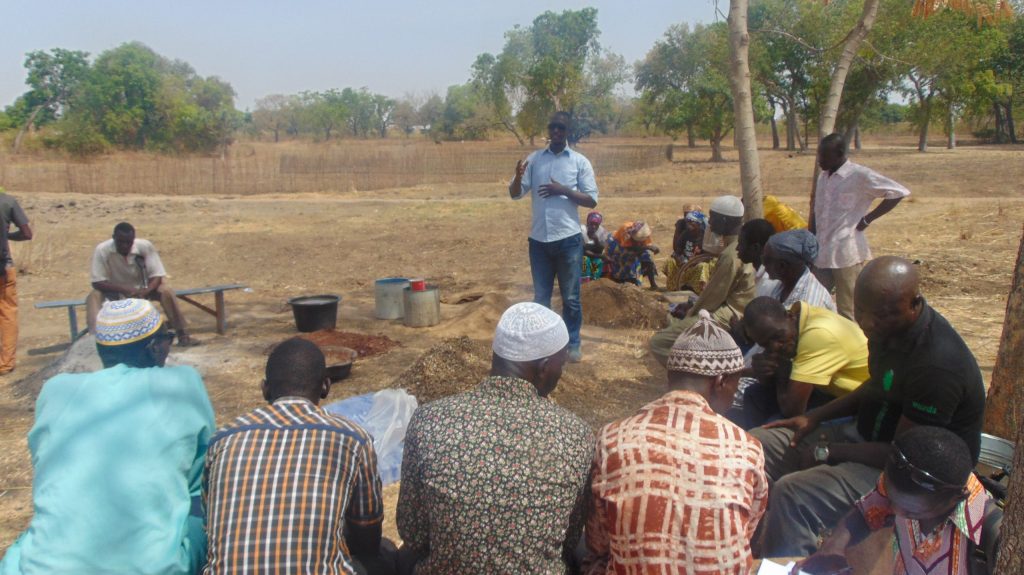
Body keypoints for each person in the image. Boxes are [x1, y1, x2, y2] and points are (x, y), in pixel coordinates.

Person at [750, 256, 986, 558]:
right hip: (864, 436)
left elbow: (901, 454)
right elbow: (876, 386)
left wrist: (828, 453)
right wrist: (812, 418)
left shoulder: (936, 366)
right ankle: (756, 552)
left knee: (793, 494)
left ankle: (793, 563)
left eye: (882, 315)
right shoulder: (885, 331)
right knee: (755, 446)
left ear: (914, 304)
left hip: (911, 477)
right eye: (862, 312)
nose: (869, 323)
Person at [0, 299, 214, 575]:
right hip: (157, 568)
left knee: (28, 541)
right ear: (152, 348)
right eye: (167, 338)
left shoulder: (56, 390)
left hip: (45, 569)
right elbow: (200, 477)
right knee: (201, 506)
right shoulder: (182, 383)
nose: (169, 345)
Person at [396, 302, 594, 574]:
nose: (562, 372)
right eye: (562, 363)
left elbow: (413, 534)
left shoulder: (429, 419)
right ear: (544, 367)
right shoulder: (576, 434)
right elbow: (569, 541)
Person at [585, 309, 768, 575]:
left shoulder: (613, 439)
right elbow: (745, 529)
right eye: (735, 385)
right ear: (720, 381)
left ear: (670, 377)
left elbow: (598, 541)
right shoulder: (747, 447)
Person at [203, 337, 394, 575]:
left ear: (265, 389)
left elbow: (210, 526)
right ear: (326, 387)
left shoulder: (222, 440)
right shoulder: (351, 439)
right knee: (386, 554)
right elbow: (367, 537)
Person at [795, 427, 991, 575]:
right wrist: (833, 547)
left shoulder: (990, 535)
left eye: (911, 513)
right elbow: (865, 511)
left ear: (957, 498)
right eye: (890, 498)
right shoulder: (907, 484)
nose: (895, 511)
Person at [510, 112, 599, 362]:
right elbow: (515, 194)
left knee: (571, 298)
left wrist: (563, 190)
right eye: (553, 127)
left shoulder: (579, 162)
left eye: (561, 128)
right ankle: (544, 346)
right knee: (541, 299)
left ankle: (573, 344)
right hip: (539, 241)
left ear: (568, 131)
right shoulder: (535, 160)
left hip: (568, 240)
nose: (556, 132)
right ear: (548, 131)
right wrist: (518, 177)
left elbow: (591, 199)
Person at [812, 134, 910, 319]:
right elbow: (817, 212)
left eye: (824, 156)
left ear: (839, 154)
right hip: (821, 252)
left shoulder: (859, 176)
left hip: (846, 253)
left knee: (847, 309)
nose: (820, 160)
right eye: (819, 155)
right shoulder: (823, 178)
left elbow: (897, 192)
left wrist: (868, 219)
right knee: (815, 303)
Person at [649, 195, 755, 365]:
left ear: (723, 220)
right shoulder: (734, 247)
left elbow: (713, 297)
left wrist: (691, 313)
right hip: (727, 306)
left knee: (659, 343)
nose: (710, 223)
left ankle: (697, 372)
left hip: (729, 312)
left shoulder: (731, 254)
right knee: (676, 311)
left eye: (712, 217)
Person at [738, 296, 869, 429]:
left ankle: (758, 444)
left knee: (771, 428)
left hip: (857, 405)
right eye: (765, 344)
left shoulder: (818, 336)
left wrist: (780, 372)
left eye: (777, 336)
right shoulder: (787, 321)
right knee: (754, 395)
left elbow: (792, 410)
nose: (775, 347)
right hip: (827, 392)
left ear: (790, 316)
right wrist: (765, 373)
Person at [88, 222, 197, 346]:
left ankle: (183, 333)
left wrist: (146, 290)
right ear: (113, 238)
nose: (124, 246)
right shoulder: (102, 250)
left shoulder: (145, 246)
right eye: (120, 242)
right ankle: (95, 339)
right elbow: (97, 282)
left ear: (133, 240)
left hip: (142, 290)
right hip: (115, 290)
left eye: (128, 242)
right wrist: (124, 289)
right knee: (94, 296)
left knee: (166, 290)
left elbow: (157, 275)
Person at [760, 229, 836, 312]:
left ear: (782, 266)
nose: (763, 264)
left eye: (765, 260)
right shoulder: (782, 285)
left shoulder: (809, 305)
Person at [0, 187, 32, 375]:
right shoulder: (8, 201)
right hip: (4, 267)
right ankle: (6, 363)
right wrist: (8, 235)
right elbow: (27, 234)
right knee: (8, 315)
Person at [664, 205, 714, 293]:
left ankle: (698, 290)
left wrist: (693, 262)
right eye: (687, 222)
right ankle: (674, 288)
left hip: (696, 264)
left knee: (702, 266)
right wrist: (681, 259)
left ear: (699, 223)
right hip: (684, 263)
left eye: (692, 222)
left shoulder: (705, 237)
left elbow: (707, 256)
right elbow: (677, 250)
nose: (688, 224)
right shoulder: (685, 234)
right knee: (670, 261)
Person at [604, 220, 661, 289]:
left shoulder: (644, 233)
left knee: (648, 259)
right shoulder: (625, 230)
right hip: (619, 245)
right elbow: (628, 249)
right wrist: (647, 247)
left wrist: (648, 248)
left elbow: (643, 246)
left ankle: (653, 284)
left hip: (638, 247)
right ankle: (625, 279)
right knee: (628, 259)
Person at [736, 218, 779, 297]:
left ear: (755, 248)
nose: (737, 248)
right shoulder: (758, 272)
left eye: (741, 244)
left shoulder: (767, 283)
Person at [581, 210, 610, 282]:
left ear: (599, 224)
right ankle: (584, 282)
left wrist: (596, 240)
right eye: (591, 223)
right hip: (582, 256)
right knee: (585, 259)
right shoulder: (581, 230)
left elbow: (600, 250)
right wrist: (600, 256)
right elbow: (583, 251)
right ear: (587, 222)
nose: (593, 226)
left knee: (598, 261)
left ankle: (594, 282)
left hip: (594, 256)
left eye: (596, 224)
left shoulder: (602, 232)